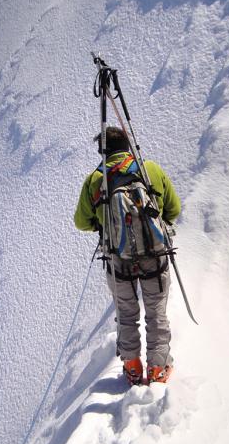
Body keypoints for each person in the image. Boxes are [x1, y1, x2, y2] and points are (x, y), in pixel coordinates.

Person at [74, 126, 181, 385]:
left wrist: (104, 224)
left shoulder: (95, 180)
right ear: (127, 144)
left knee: (126, 312)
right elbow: (174, 209)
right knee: (156, 310)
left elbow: (81, 222)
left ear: (103, 151)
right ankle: (158, 369)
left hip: (117, 257)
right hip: (155, 255)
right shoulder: (149, 170)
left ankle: (133, 368)